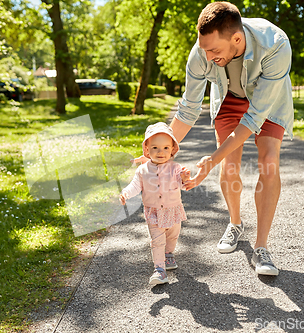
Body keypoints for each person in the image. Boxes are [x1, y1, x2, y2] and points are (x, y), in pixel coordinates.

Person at [136, 2, 294, 276]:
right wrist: (160, 151)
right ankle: (235, 223)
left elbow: (254, 118)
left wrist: (209, 161)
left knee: (269, 162)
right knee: (230, 165)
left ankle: (261, 247)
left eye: (214, 51)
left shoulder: (276, 44)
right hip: (229, 99)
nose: (207, 57)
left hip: (267, 103)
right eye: (204, 49)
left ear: (237, 38)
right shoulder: (200, 53)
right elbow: (188, 108)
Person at [120, 122, 191, 285]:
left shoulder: (175, 168)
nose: (161, 152)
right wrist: (126, 193)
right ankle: (159, 270)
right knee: (157, 240)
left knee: (172, 236)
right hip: (153, 212)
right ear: (147, 150)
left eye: (166, 148)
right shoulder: (142, 170)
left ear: (173, 149)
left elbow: (182, 184)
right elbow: (135, 186)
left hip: (173, 210)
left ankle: (168, 255)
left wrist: (185, 178)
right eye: (155, 148)